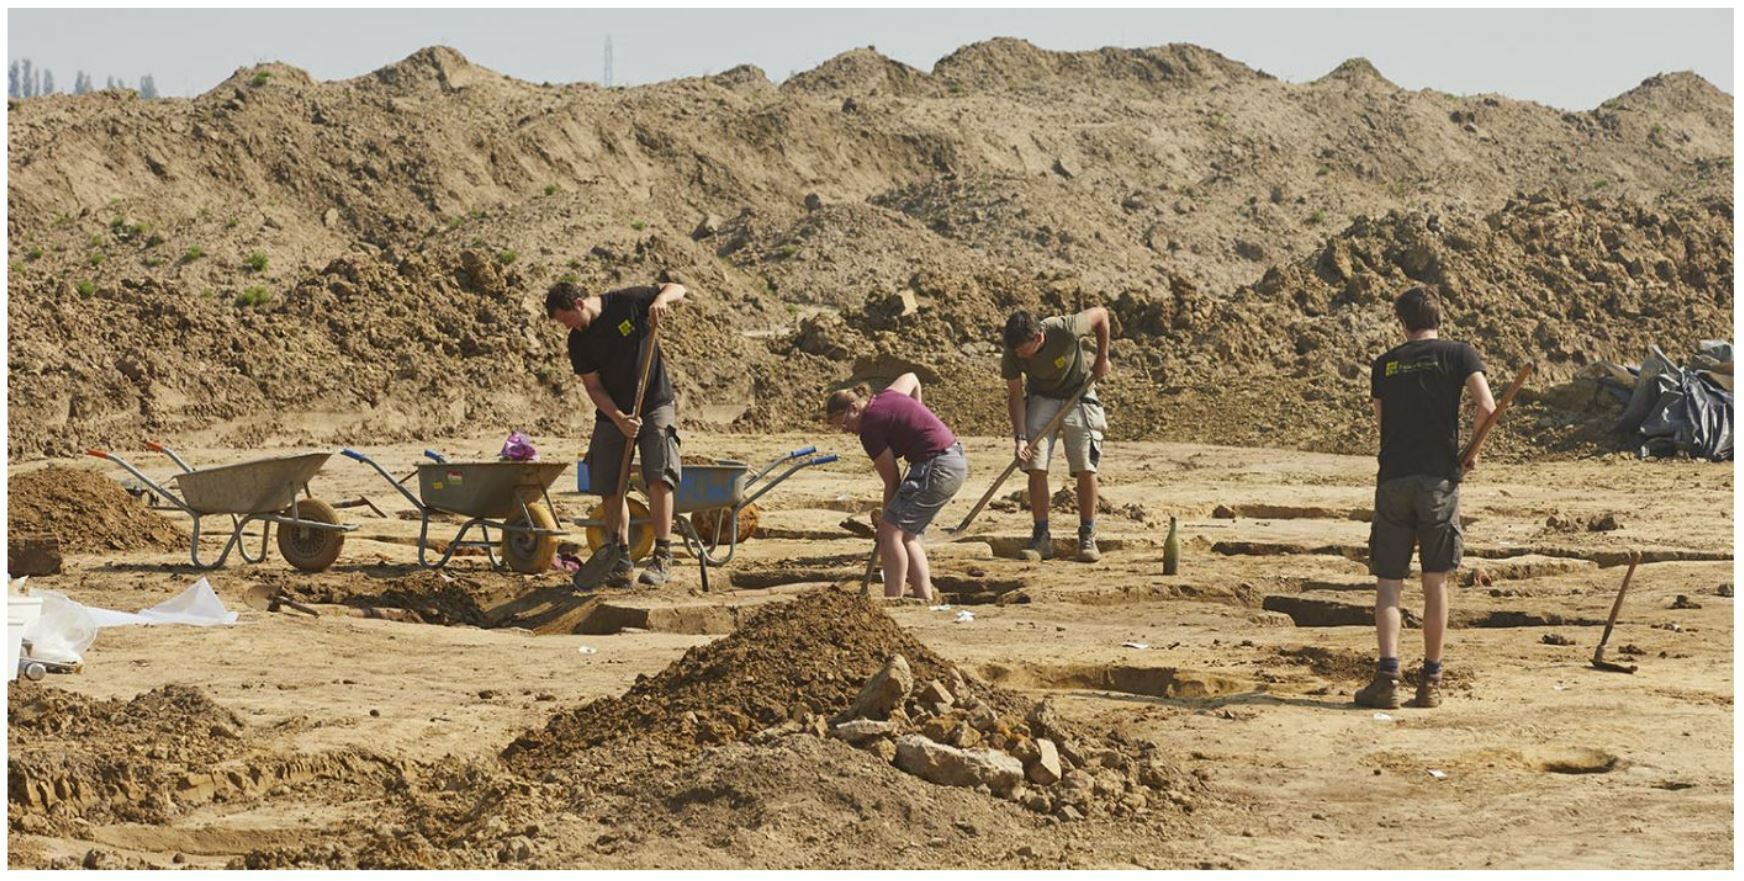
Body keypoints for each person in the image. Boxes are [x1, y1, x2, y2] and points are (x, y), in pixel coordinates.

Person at [1359, 285, 1495, 710]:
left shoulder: (1384, 364)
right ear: (1439, 318)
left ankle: (1388, 680)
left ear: (1402, 322)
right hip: (1439, 480)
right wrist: (1471, 452)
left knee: (1388, 585)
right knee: (1435, 582)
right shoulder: (1459, 355)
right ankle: (1430, 683)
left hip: (1394, 479)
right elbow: (1487, 406)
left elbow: (1382, 426)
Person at [545, 279, 688, 587]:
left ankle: (662, 556)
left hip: (653, 403)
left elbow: (678, 288)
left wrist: (661, 300)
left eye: (567, 319)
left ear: (580, 303)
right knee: (608, 483)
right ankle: (620, 558)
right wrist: (620, 418)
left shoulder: (627, 302)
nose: (568, 326)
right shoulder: (578, 342)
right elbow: (593, 387)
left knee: (659, 475)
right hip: (613, 413)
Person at [826, 373, 969, 602]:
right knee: (908, 535)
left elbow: (891, 481)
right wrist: (917, 409)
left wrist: (885, 523)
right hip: (953, 460)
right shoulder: (889, 395)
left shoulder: (869, 429)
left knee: (892, 531)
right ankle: (925, 599)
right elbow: (912, 378)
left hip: (935, 466)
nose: (847, 431)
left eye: (844, 424)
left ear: (854, 407)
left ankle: (893, 599)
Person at [1000, 307, 1111, 563]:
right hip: (1041, 398)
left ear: (1038, 338)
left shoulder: (1065, 328)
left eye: (1022, 349)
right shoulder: (1012, 350)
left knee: (1085, 465)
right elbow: (1015, 395)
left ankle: (1087, 535)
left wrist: (1102, 357)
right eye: (1014, 349)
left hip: (1079, 393)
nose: (1018, 354)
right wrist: (1020, 438)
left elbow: (1102, 315)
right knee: (1035, 463)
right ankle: (1041, 537)